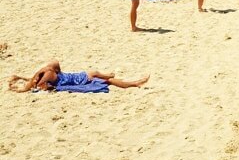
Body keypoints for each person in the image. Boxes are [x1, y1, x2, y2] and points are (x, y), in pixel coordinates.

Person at [9, 62, 149, 93]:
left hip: (73, 77)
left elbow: (34, 81)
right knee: (108, 80)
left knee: (97, 74)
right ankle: (135, 83)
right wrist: (20, 87)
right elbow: (34, 83)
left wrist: (20, 79)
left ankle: (135, 83)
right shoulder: (48, 74)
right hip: (77, 80)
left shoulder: (45, 74)